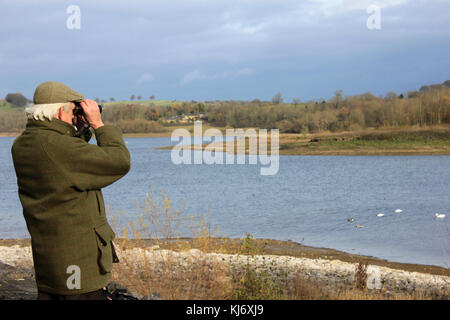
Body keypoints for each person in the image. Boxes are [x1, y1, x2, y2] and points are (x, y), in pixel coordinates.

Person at [11, 81, 130, 300]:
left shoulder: (25, 143)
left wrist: (80, 127)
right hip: (77, 265)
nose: (76, 115)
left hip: (51, 260)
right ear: (59, 111)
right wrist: (99, 125)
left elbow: (69, 161)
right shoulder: (57, 148)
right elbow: (119, 161)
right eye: (73, 111)